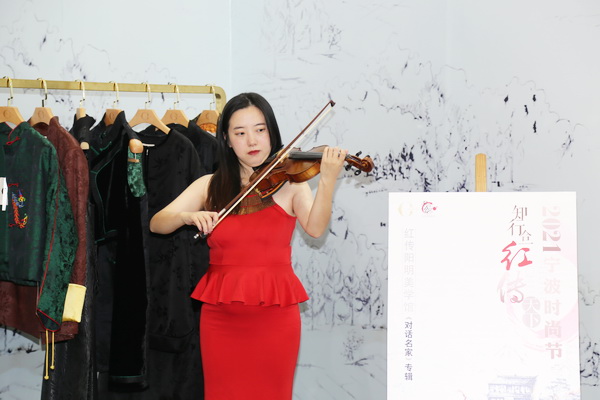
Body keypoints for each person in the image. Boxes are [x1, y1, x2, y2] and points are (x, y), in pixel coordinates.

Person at [149, 92, 347, 400]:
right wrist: (188, 216)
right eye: (240, 133)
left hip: (275, 316)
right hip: (220, 319)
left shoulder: (291, 183)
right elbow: (157, 222)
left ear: (271, 132)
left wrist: (327, 181)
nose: (252, 141)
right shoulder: (210, 185)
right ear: (226, 140)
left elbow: (316, 228)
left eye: (260, 130)